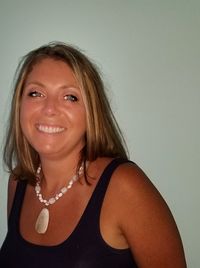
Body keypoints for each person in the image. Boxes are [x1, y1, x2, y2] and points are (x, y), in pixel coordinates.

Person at [0, 42, 187, 267]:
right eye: (36, 93)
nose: (49, 109)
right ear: (20, 104)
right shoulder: (18, 183)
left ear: (91, 111)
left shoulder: (123, 187)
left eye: (70, 97)